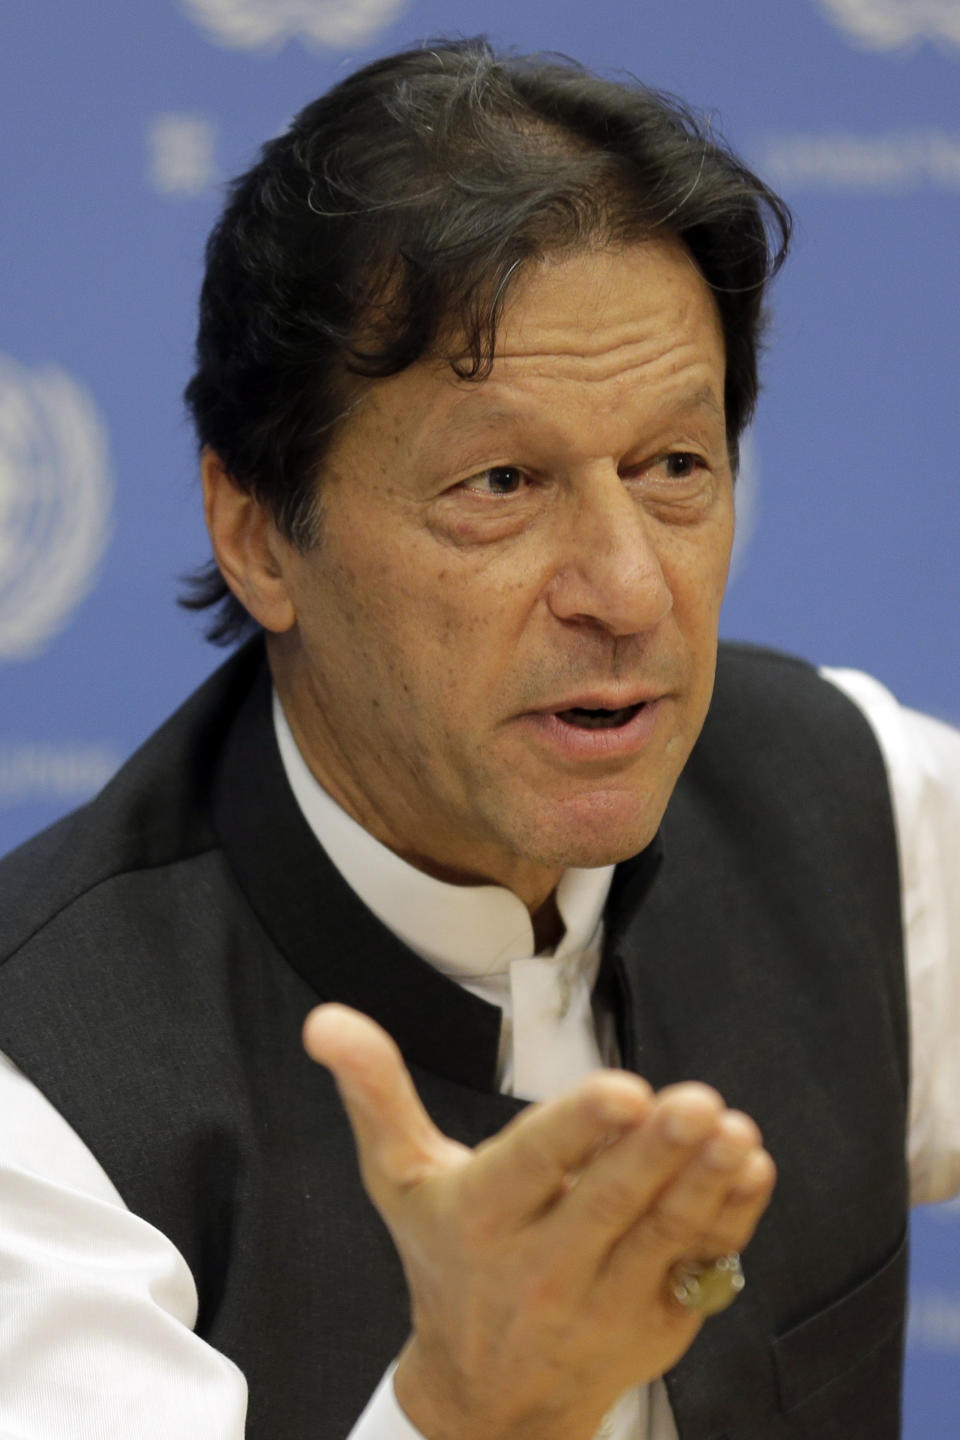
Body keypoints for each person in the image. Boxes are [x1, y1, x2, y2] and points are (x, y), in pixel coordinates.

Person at [0, 36, 957, 1440]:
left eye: (674, 467)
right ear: (257, 530)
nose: (629, 592)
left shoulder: (854, 801)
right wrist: (467, 1408)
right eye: (501, 483)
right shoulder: (38, 1092)